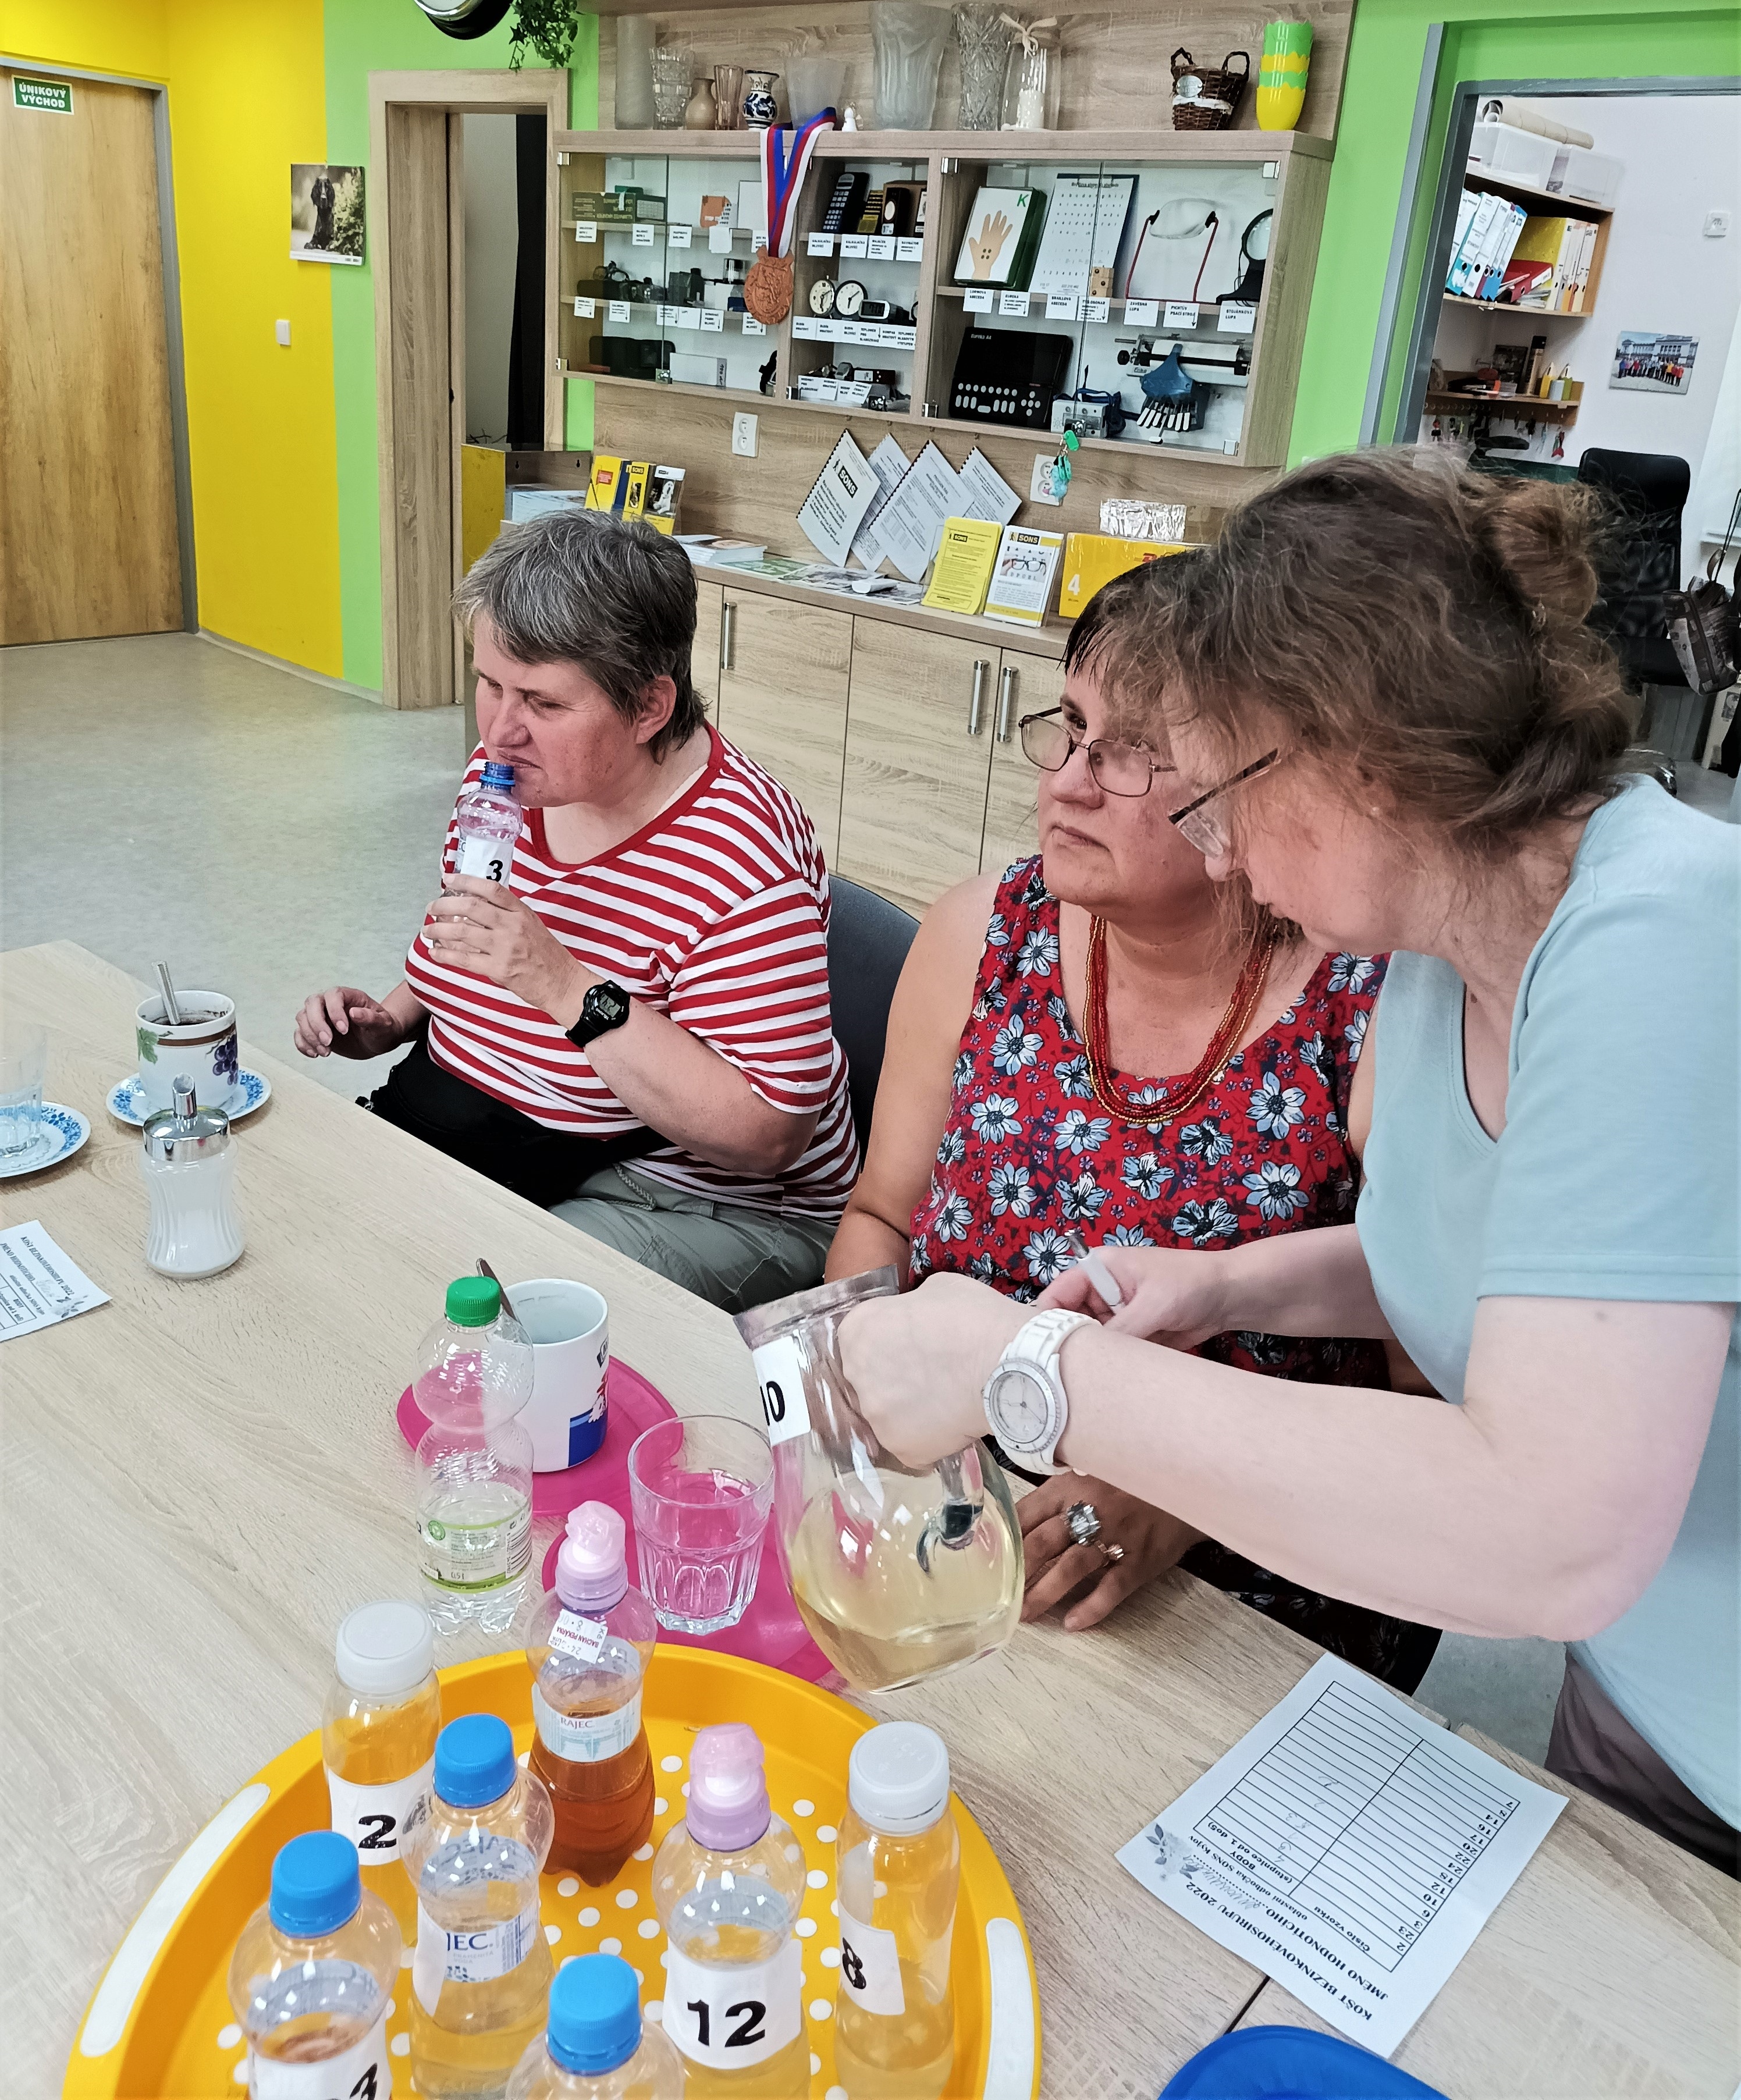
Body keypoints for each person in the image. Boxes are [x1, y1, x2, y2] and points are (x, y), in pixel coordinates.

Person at [838, 453, 1739, 1874]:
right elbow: (1509, 1268)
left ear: (1358, 759)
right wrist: (1225, 1285)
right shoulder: (1436, 944)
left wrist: (1029, 1362)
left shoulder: (1662, 945)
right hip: (1643, 1697)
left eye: (1223, 795)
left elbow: (1553, 1527)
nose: (1218, 853)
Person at [826, 564, 1439, 1692]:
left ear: (1250, 789)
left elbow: (1427, 1394)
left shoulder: (1373, 1010)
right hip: (960, 1508)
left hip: (1246, 1568)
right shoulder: (981, 933)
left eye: (1127, 754)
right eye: (1068, 729)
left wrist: (1181, 1488)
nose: (1065, 783)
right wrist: (864, 1408)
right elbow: (881, 1215)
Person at [294, 511, 857, 1313]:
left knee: (500, 1319)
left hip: (699, 1196)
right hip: (521, 1137)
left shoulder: (741, 861)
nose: (500, 731)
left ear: (649, 707)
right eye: (490, 684)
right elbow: (474, 934)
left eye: (543, 702)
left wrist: (561, 983)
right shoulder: (508, 779)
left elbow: (767, 1133)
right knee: (316, 1224)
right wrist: (389, 1019)